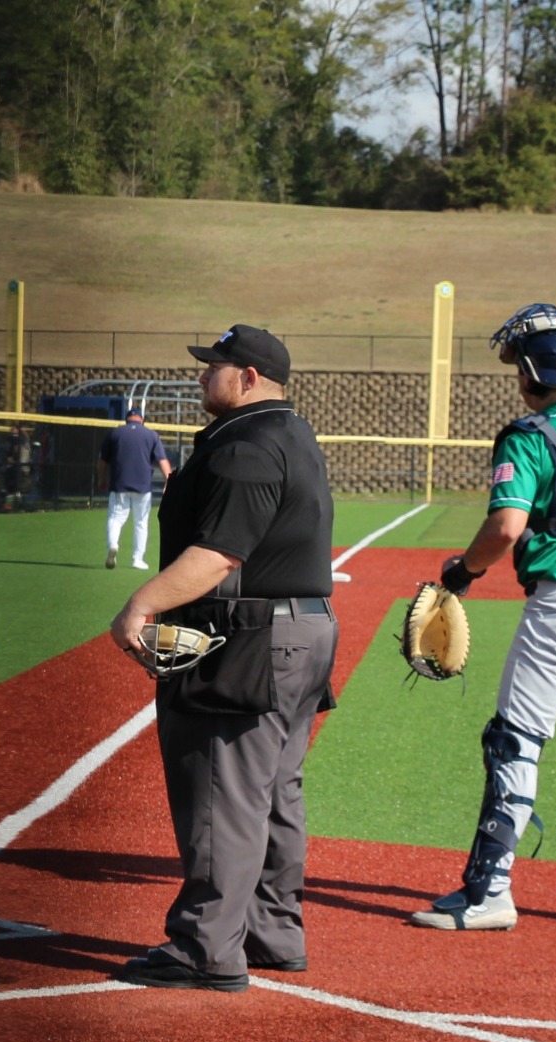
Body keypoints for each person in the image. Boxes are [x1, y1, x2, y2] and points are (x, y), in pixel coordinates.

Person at [108, 324, 337, 991]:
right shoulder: (292, 433)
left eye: (213, 367)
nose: (201, 376)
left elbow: (217, 556)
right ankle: (271, 931)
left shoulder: (246, 446)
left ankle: (206, 944)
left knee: (223, 787)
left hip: (255, 635)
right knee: (273, 790)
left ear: (245, 378)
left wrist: (139, 606)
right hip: (302, 631)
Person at [410, 303, 556, 932]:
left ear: (531, 371)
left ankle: (490, 892)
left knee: (515, 739)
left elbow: (506, 526)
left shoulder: (528, 436)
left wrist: (462, 573)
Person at [99, 407, 172, 570]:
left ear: (127, 420)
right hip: (143, 486)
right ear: (142, 419)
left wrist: (101, 480)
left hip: (119, 484)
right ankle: (137, 559)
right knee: (141, 522)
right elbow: (163, 460)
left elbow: (102, 462)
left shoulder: (115, 433)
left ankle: (113, 545)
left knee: (116, 518)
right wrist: (170, 481)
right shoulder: (151, 435)